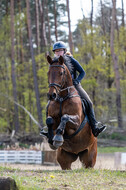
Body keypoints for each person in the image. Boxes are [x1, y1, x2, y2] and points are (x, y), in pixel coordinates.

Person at [41, 41, 106, 137]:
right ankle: (48, 129)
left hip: (74, 86)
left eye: (60, 51)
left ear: (64, 51)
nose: (58, 53)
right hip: (59, 88)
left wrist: (77, 80)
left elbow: (82, 72)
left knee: (89, 102)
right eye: (56, 51)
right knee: (48, 105)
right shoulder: (54, 62)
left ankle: (94, 126)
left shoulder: (71, 60)